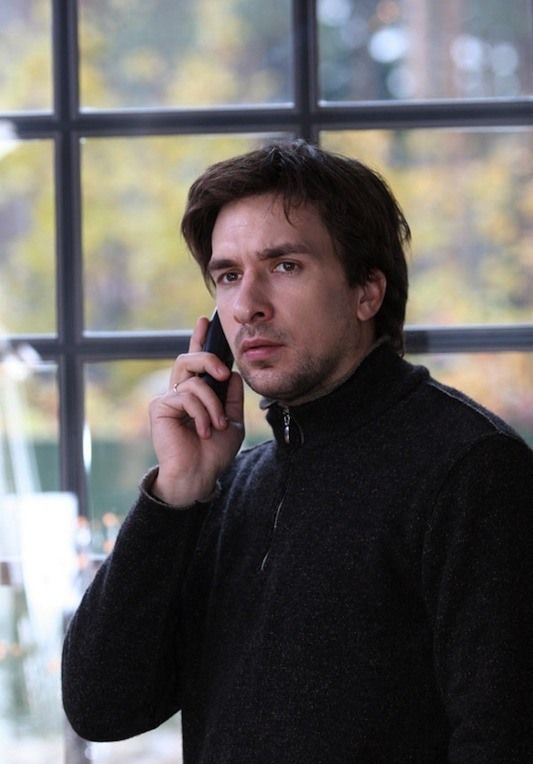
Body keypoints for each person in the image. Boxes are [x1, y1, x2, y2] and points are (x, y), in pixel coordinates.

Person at [62, 140, 533, 763]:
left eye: (284, 265)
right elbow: (101, 705)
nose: (247, 306)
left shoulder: (472, 469)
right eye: (228, 276)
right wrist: (175, 495)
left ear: (367, 291)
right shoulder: (233, 486)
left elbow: (504, 740)